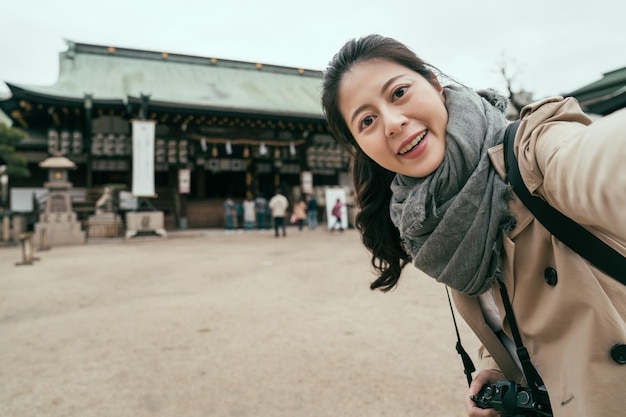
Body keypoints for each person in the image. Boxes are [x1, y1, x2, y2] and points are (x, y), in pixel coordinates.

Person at [321, 34, 626, 417]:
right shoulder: (427, 215)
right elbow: (510, 308)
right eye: (367, 120)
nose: (393, 122)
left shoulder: (531, 149)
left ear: (434, 85)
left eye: (398, 93)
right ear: (359, 145)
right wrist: (497, 366)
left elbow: (599, 162)